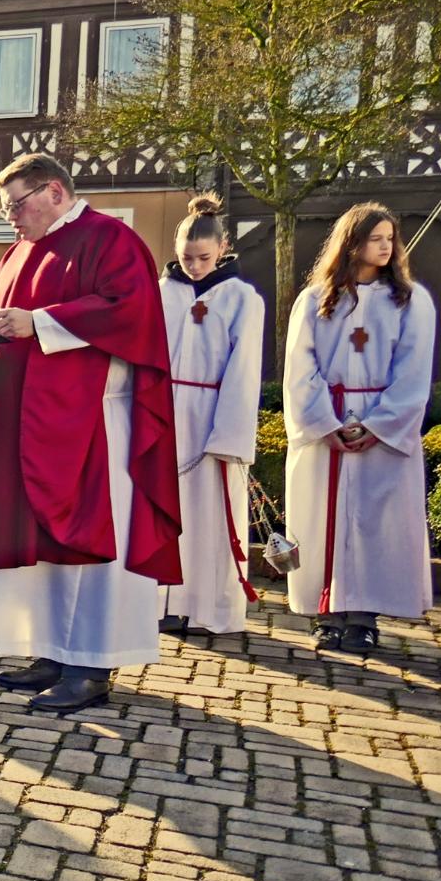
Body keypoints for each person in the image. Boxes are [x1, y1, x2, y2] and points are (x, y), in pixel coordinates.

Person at [0, 153, 181, 715]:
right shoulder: (16, 254)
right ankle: (49, 652)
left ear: (53, 191)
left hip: (90, 423)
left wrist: (41, 322)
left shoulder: (110, 239)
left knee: (90, 544)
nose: (10, 218)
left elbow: (130, 311)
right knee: (38, 545)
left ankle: (91, 665)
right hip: (23, 425)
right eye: (5, 209)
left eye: (15, 205)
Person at [283, 202, 436, 653]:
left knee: (374, 526)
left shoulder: (411, 301)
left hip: (381, 427)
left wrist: (379, 425)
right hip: (327, 422)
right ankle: (327, 614)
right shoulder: (315, 300)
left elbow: (413, 371)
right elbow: (300, 367)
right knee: (322, 521)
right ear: (351, 243)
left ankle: (364, 618)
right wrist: (323, 423)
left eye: (390, 238)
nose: (386, 247)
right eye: (375, 239)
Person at [157, 195, 266, 638]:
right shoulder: (161, 292)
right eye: (187, 258)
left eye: (203, 258)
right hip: (163, 413)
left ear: (223, 248)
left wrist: (229, 435)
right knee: (162, 515)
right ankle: (160, 602)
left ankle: (204, 607)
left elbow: (244, 368)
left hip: (211, 419)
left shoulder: (242, 298)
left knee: (207, 519)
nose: (195, 266)